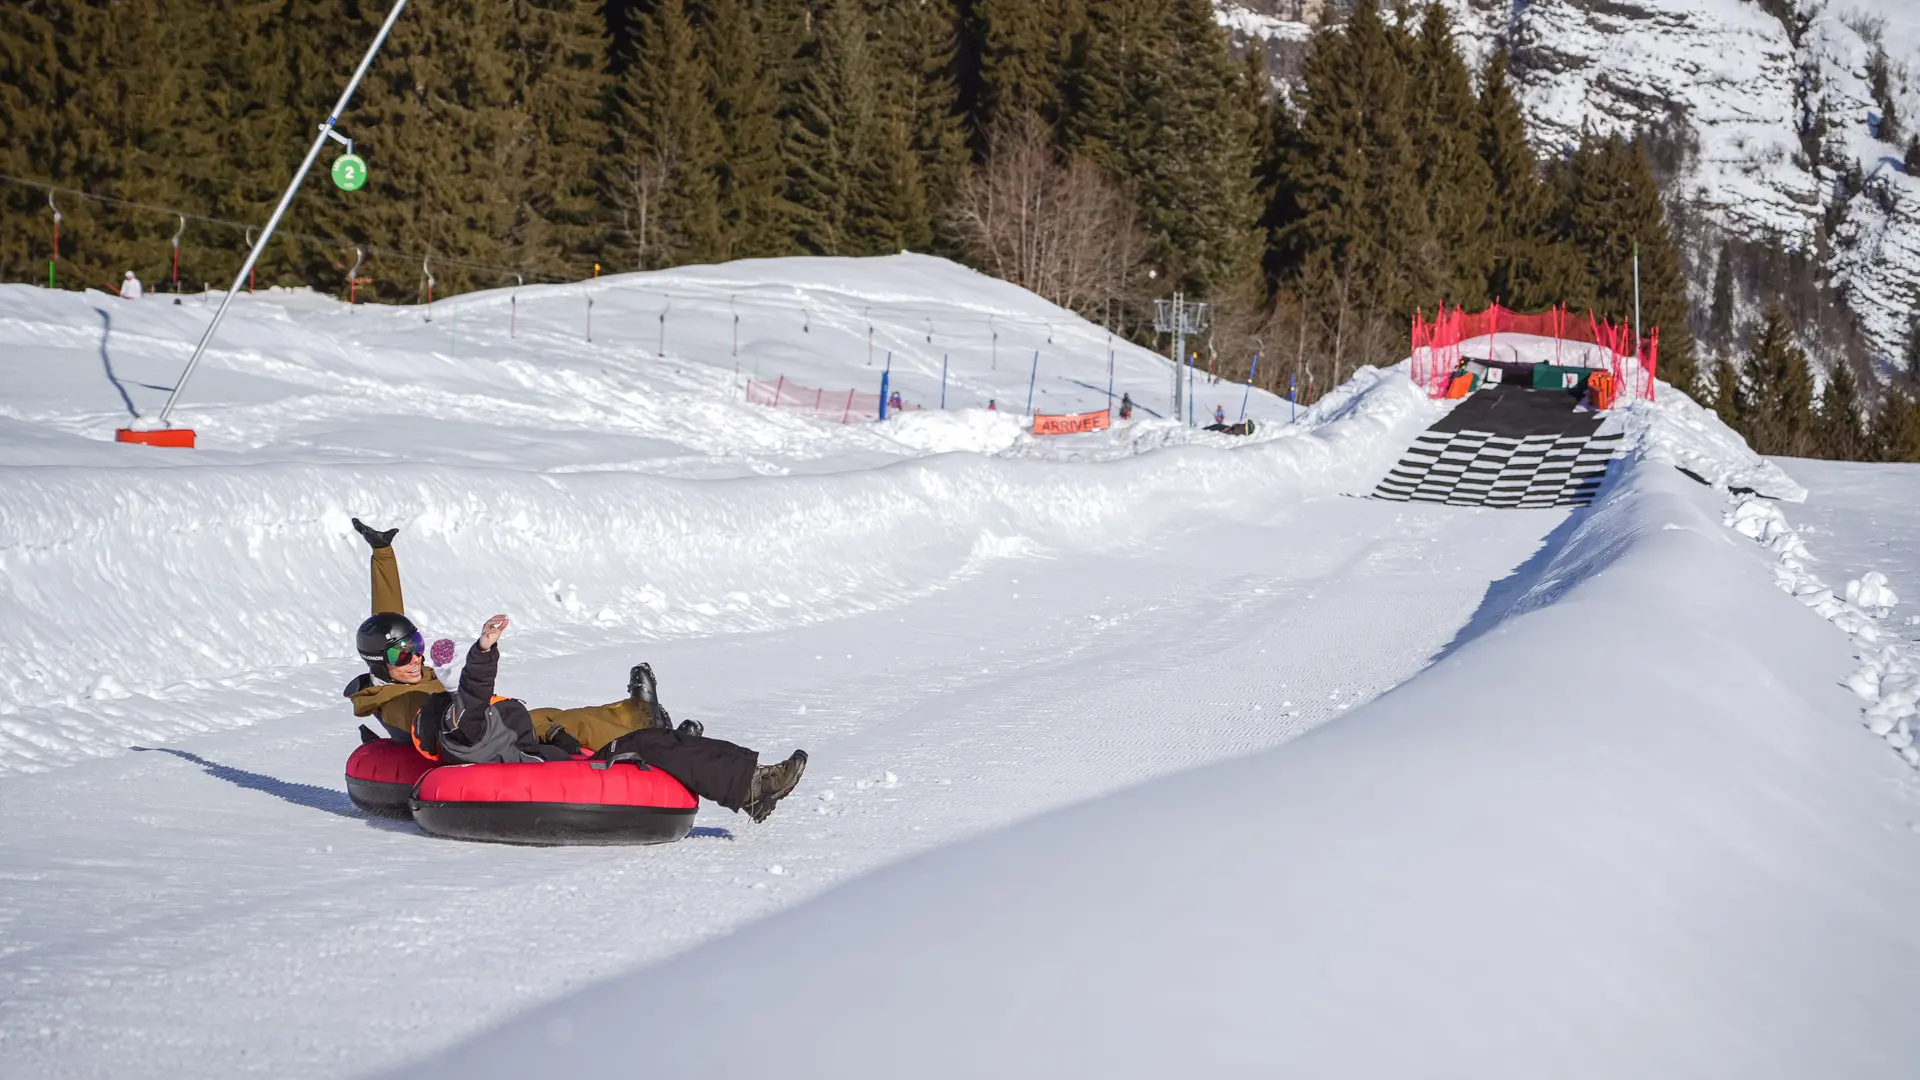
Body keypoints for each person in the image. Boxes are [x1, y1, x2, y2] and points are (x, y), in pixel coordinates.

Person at [345, 519, 807, 822]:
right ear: (378, 669)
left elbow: (387, 623)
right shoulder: (401, 702)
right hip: (487, 727)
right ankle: (682, 746)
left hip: (504, 720)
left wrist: (383, 554)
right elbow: (455, 721)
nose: (416, 659)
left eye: (418, 648)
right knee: (569, 725)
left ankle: (677, 741)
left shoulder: (401, 668)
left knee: (578, 724)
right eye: (402, 656)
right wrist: (479, 661)